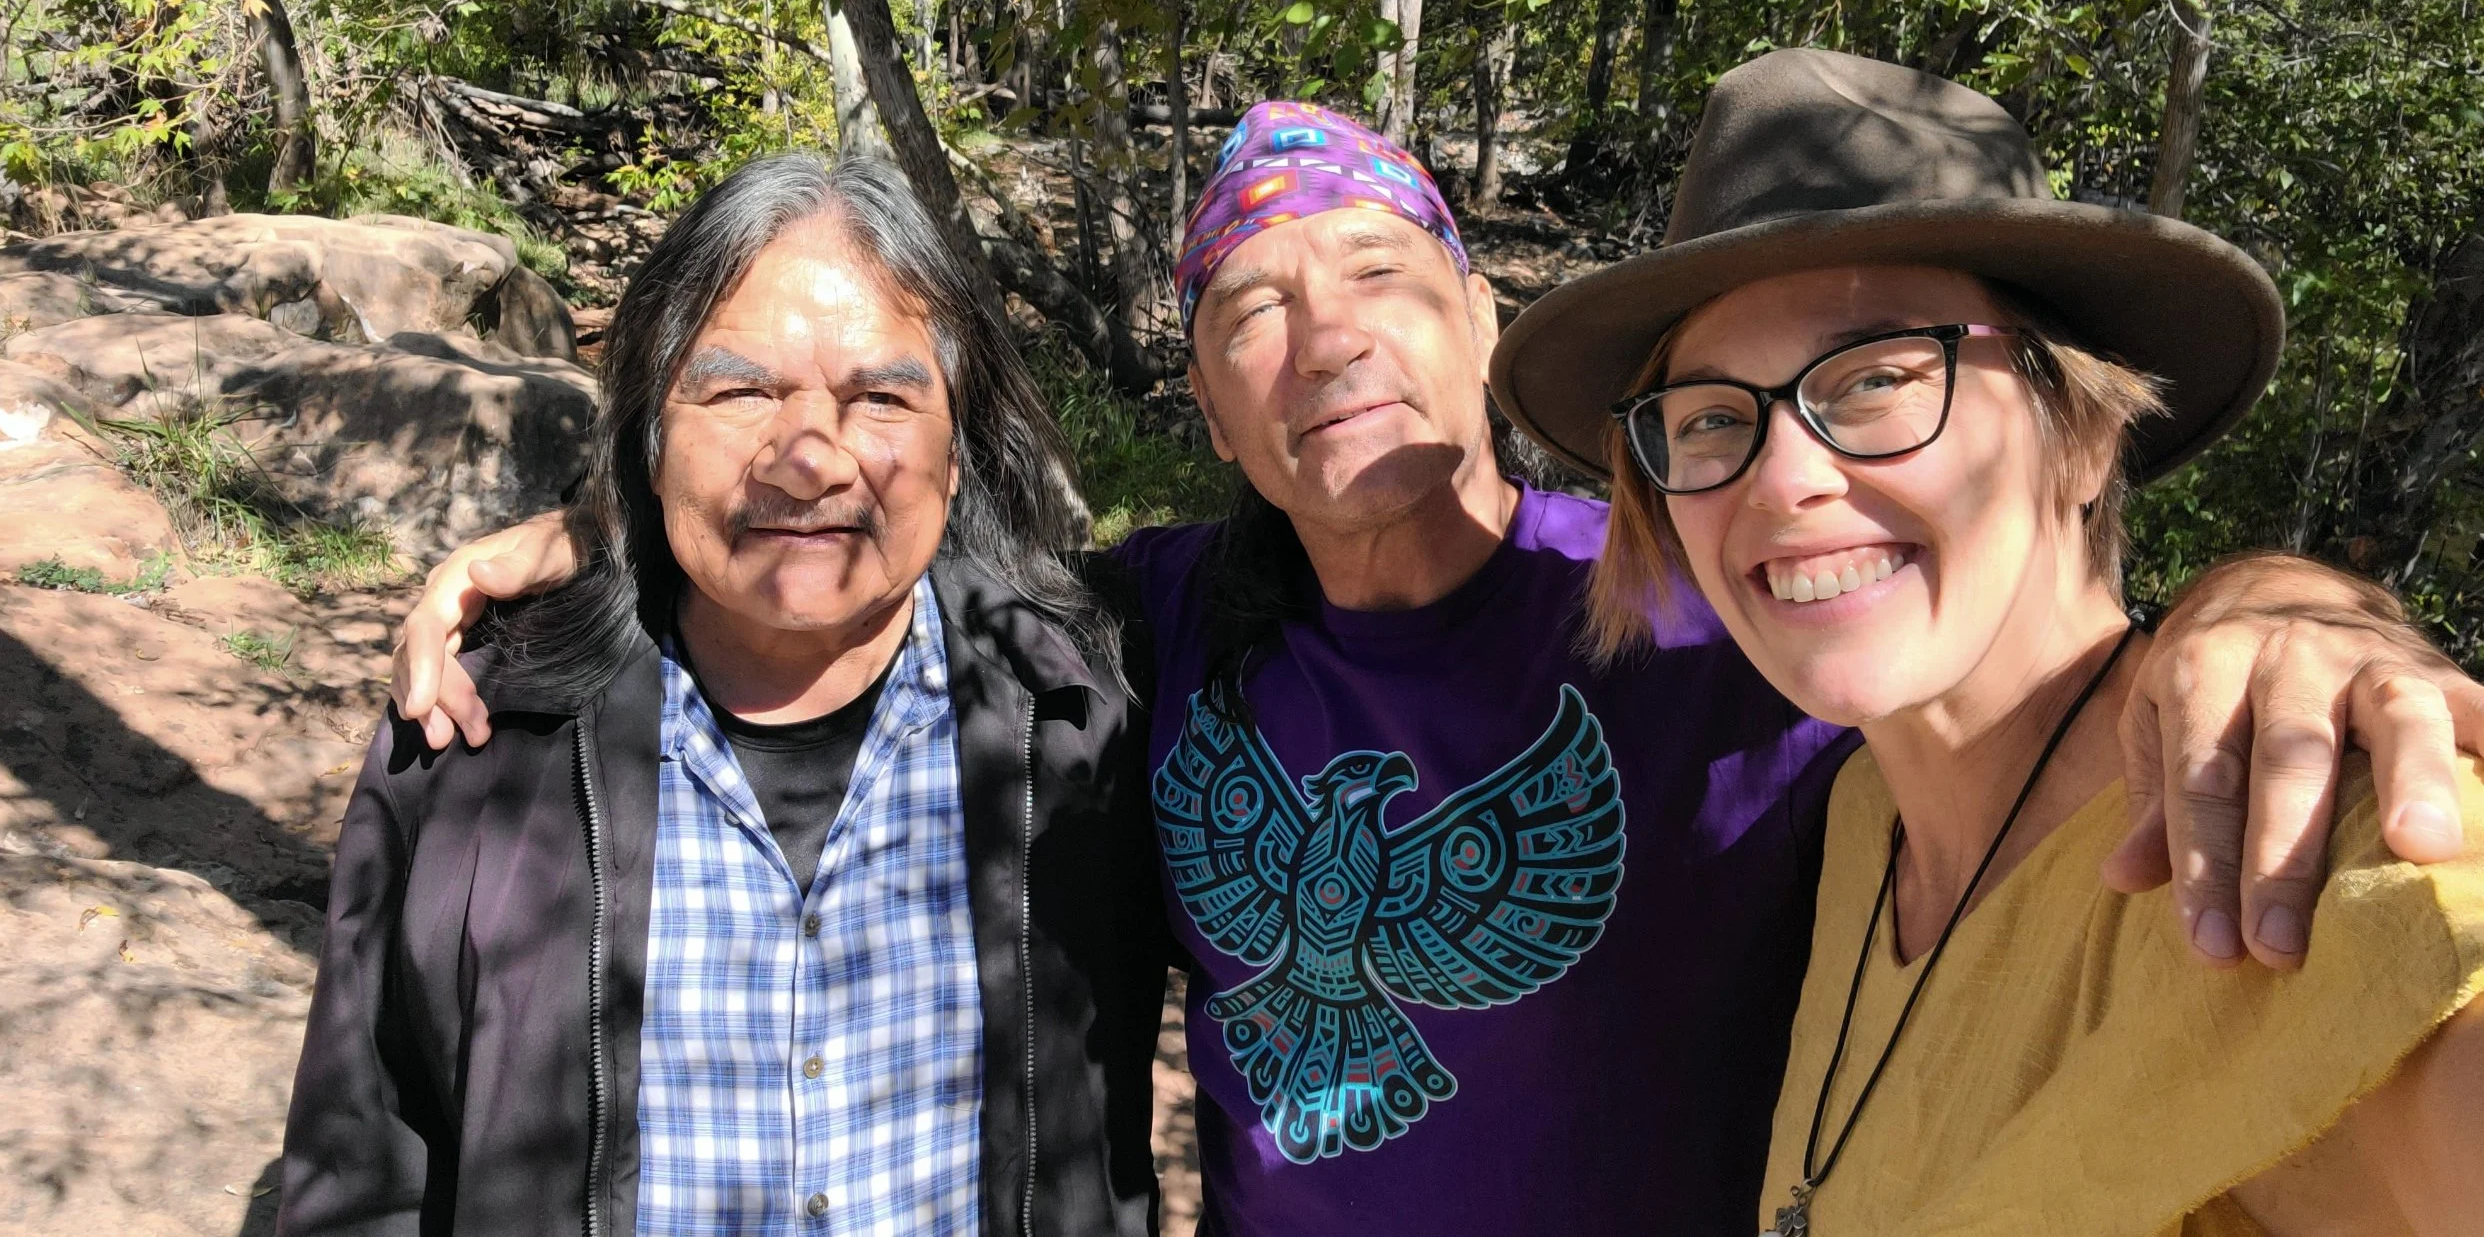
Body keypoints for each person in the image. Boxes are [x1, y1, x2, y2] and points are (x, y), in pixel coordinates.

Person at [384, 102, 2484, 1234]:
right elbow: (854, 540)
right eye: (1251, 310)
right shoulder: (1150, 627)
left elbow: (2047, 659)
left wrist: (2277, 608)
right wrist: (607, 540)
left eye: (1383, 272)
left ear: (1484, 324)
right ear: (1210, 411)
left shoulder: (1722, 599)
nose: (1326, 336)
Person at [1491, 47, 2484, 1234]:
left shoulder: (2289, 835)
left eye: (1876, 380)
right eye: (1709, 416)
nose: (1784, 479)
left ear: (2084, 435)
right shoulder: (1862, 816)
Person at [278, 154, 1170, 1237]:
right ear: (653, 438)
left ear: (956, 450)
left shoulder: (1089, 721)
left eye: (881, 398)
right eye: (741, 392)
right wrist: (598, 528)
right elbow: (363, 1173)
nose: (808, 460)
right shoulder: (477, 736)